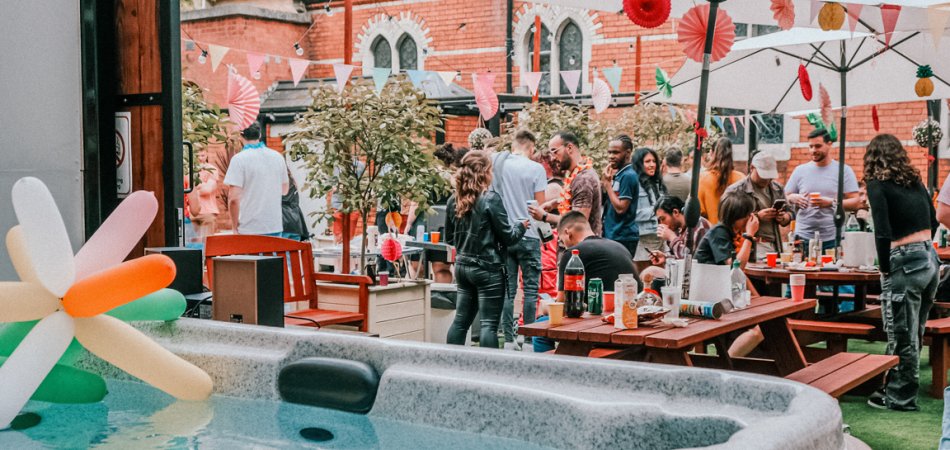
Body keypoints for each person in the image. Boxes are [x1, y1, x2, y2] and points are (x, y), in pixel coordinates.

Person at [863, 134, 938, 412]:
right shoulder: (914, 180)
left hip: (904, 260)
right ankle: (896, 384)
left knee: (901, 331)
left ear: (871, 157)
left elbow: (882, 231)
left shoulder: (876, 184)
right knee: (914, 330)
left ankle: (900, 396)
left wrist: (884, 266)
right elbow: (932, 219)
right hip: (929, 257)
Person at [444, 151, 529, 349]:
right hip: (488, 269)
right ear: (484, 173)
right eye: (490, 170)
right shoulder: (491, 199)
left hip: (463, 267)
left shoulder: (452, 201)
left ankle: (450, 363)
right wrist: (521, 226)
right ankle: (487, 369)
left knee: (460, 321)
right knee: (489, 325)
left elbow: (450, 238)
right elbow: (509, 237)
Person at [492, 130, 547, 347]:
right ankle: (529, 337)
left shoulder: (500, 166)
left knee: (508, 289)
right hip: (530, 234)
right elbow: (539, 207)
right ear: (531, 148)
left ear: (514, 145)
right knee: (531, 290)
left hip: (506, 234)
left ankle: (508, 339)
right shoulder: (536, 168)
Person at [785, 128, 862, 251]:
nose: (813, 150)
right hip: (802, 237)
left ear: (829, 144)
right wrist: (793, 198)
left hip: (833, 238)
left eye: (818, 146)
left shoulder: (843, 170)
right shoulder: (800, 170)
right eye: (810, 146)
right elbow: (786, 197)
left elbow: (856, 202)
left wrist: (831, 202)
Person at [529, 131, 602, 236]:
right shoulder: (576, 175)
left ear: (569, 148)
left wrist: (545, 216)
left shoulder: (584, 180)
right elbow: (574, 201)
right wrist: (556, 203)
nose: (553, 158)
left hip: (581, 248)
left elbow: (577, 223)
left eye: (555, 151)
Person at [223, 122, 289, 235]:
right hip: (274, 225)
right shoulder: (277, 157)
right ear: (259, 135)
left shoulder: (239, 159)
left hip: (249, 227)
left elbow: (233, 198)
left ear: (240, 136)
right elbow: (285, 191)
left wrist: (234, 227)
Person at [724, 152, 792, 260]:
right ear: (752, 168)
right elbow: (727, 220)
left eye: (770, 177)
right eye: (763, 175)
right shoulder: (736, 190)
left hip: (774, 246)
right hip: (747, 246)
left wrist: (783, 218)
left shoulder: (777, 188)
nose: (767, 180)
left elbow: (790, 213)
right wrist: (757, 216)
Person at [556, 211, 635, 294]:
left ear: (567, 233)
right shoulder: (620, 247)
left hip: (599, 306)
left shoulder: (573, 255)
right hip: (631, 304)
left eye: (562, 241)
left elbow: (562, 301)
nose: (564, 246)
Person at [694, 193, 759, 267]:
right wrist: (749, 236)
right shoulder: (718, 232)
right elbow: (736, 267)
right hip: (706, 276)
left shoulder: (736, 232)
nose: (750, 219)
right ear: (735, 216)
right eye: (747, 215)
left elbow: (748, 262)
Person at [601, 135, 640, 256]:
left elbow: (621, 208)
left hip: (623, 237)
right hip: (612, 234)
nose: (611, 156)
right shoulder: (619, 174)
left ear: (628, 153)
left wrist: (607, 185)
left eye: (616, 152)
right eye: (609, 152)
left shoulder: (628, 175)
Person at [631, 147, 667, 273]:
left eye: (654, 161)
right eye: (647, 161)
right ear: (640, 164)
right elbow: (633, 214)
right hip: (643, 238)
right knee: (644, 276)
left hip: (659, 237)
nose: (652, 165)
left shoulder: (658, 183)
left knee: (659, 277)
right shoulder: (635, 184)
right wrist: (657, 211)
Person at [650, 195, 711, 267]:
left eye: (663, 219)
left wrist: (672, 238)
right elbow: (680, 258)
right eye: (659, 221)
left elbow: (690, 262)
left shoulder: (699, 226)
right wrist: (666, 257)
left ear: (675, 212)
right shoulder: (677, 229)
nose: (661, 224)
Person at [699, 138, 744, 224]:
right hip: (737, 235)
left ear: (712, 153)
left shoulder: (703, 178)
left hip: (712, 233)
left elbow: (700, 211)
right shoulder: (741, 178)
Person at [329, 159, 366, 244]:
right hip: (338, 204)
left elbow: (362, 185)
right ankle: (338, 254)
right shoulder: (335, 165)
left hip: (353, 204)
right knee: (338, 236)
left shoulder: (360, 165)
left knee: (349, 238)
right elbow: (331, 185)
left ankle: (347, 254)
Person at [188, 148, 219, 246]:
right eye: (198, 156)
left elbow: (207, 190)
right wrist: (203, 184)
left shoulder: (212, 169)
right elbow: (186, 188)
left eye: (203, 155)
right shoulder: (189, 169)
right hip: (192, 212)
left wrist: (195, 188)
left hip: (208, 212)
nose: (200, 158)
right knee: (192, 245)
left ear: (207, 155)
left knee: (207, 244)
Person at [281, 168, 310, 241]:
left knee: (281, 251)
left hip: (283, 224)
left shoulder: (279, 183)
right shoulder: (293, 182)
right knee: (294, 251)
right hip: (296, 224)